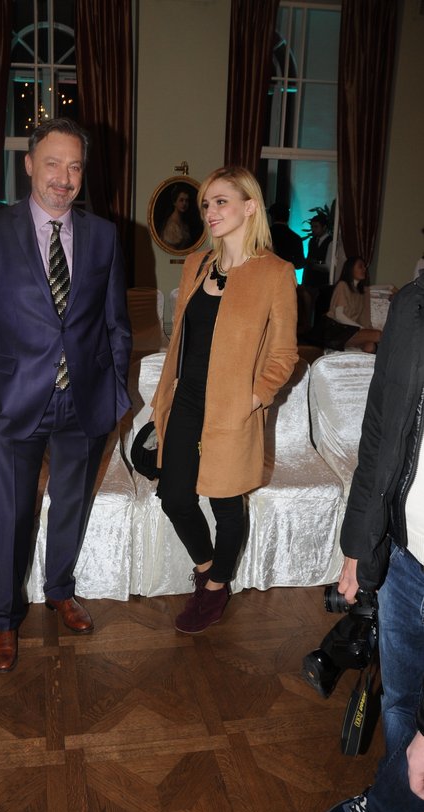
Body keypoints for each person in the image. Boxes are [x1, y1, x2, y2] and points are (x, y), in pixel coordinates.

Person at [0, 117, 132, 672]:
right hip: (13, 400)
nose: (64, 177)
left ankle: (59, 590)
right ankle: (5, 619)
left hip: (84, 399)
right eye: (53, 163)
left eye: (75, 166)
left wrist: (115, 391)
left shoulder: (104, 236)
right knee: (11, 515)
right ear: (29, 164)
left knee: (72, 504)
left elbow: (116, 323)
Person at [150, 166, 298, 634]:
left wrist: (254, 397)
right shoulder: (196, 264)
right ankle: (207, 568)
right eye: (206, 204)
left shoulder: (275, 273)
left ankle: (215, 589)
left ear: (249, 206)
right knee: (174, 497)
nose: (210, 212)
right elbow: (182, 337)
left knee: (226, 504)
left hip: (233, 406)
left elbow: (284, 353)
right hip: (186, 400)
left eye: (221, 202)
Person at [322, 268, 424, 812]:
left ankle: (394, 810)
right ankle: (396, 804)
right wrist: (359, 549)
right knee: (401, 706)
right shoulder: (412, 306)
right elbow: (380, 434)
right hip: (407, 559)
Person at [322, 256, 382, 353]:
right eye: (360, 266)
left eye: (364, 267)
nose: (364, 269)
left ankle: (361, 363)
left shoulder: (361, 292)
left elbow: (381, 288)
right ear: (350, 269)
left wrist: (392, 288)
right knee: (378, 335)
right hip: (337, 332)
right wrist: (360, 328)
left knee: (370, 346)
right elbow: (339, 315)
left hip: (351, 332)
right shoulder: (342, 285)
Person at [267, 202, 305, 268]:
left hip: (266, 271)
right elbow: (299, 264)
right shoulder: (296, 238)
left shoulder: (264, 235)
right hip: (286, 272)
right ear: (288, 216)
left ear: (272, 216)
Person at [302, 213, 332, 289]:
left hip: (323, 282)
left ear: (324, 227)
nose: (313, 229)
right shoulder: (312, 241)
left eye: (316, 227)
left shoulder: (331, 242)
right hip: (310, 281)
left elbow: (328, 265)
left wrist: (315, 262)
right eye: (312, 227)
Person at [160, 186, 193, 250]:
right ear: (174, 202)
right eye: (181, 200)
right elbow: (172, 251)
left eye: (186, 201)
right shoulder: (171, 225)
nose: (184, 203)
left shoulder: (184, 222)